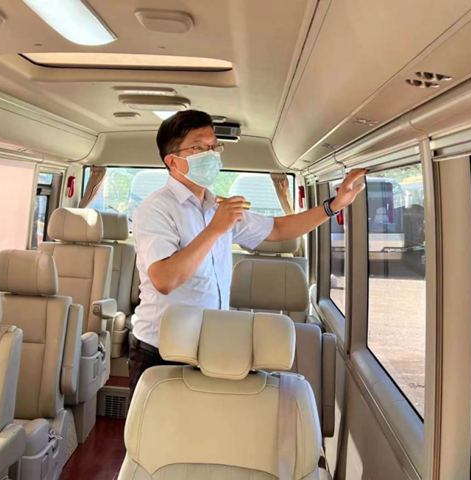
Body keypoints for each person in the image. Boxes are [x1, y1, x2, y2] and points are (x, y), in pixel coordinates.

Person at [128, 109, 366, 393]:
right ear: (173, 161)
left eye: (214, 146)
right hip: (162, 348)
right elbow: (165, 279)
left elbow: (277, 229)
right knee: (159, 424)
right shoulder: (156, 209)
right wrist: (215, 229)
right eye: (199, 148)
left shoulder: (217, 207)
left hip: (211, 343)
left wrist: (334, 206)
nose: (211, 154)